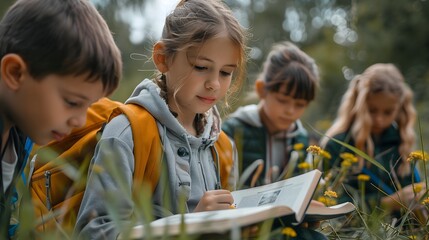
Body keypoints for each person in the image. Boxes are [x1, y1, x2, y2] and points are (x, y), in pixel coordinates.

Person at [74, 0, 247, 239]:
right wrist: (189, 226)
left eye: (226, 72)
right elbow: (94, 232)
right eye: (200, 66)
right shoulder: (127, 133)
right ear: (162, 58)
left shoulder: (223, 146)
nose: (214, 83)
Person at [0, 0, 122, 238]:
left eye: (88, 107)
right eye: (72, 103)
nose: (79, 120)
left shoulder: (19, 134)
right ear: (15, 73)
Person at [320, 63, 424, 217]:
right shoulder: (338, 145)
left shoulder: (402, 145)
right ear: (359, 104)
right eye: (371, 110)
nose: (379, 120)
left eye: (388, 112)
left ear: (400, 108)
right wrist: (388, 204)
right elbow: (332, 210)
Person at [222, 41, 320, 188]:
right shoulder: (232, 131)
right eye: (282, 100)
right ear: (262, 90)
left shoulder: (301, 140)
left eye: (300, 105)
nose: (290, 111)